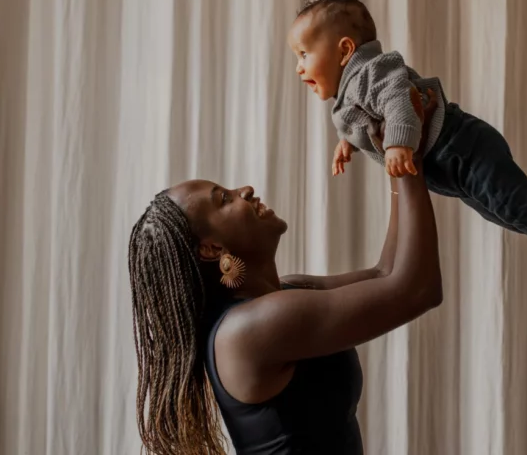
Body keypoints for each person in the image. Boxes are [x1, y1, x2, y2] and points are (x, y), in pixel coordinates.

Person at [128, 88, 442, 454]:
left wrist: (393, 153)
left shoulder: (283, 295)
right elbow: (418, 289)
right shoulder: (251, 328)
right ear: (212, 249)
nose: (244, 190)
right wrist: (409, 156)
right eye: (224, 200)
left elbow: (385, 273)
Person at [287, 0, 527, 278]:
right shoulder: (351, 91)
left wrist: (397, 144)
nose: (299, 68)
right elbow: (369, 119)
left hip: (464, 147)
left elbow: (397, 100)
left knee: (512, 204)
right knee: (500, 213)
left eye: (304, 54)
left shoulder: (372, 71)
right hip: (450, 165)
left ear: (344, 50)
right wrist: (348, 144)